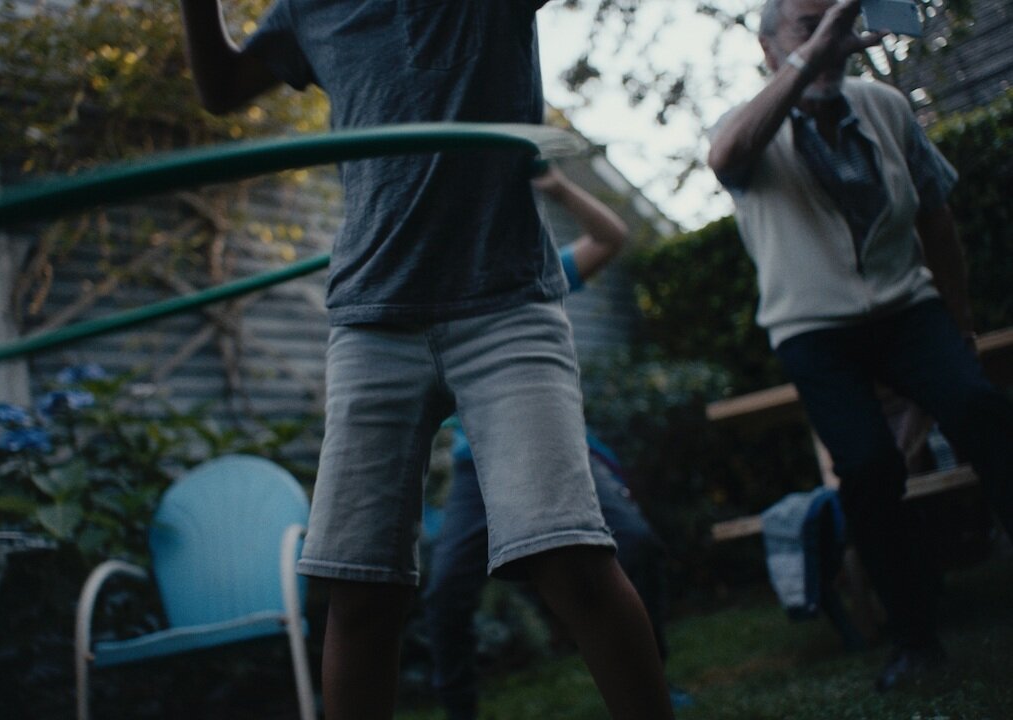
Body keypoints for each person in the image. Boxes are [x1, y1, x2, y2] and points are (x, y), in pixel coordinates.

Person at [178, 2, 675, 718]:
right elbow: (221, 90)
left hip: (502, 304)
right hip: (373, 318)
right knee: (358, 591)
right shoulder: (307, 10)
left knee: (571, 561)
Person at [707, 0, 1013, 692]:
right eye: (803, 23)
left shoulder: (882, 104)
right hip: (814, 332)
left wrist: (958, 319)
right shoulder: (747, 125)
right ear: (766, 49)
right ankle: (913, 638)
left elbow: (934, 213)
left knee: (980, 412)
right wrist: (810, 57)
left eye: (831, 21)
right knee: (868, 471)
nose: (822, 36)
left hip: (907, 308)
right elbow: (725, 159)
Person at [423, 167, 694, 720]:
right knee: (445, 591)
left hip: (557, 444)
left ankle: (653, 687)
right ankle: (460, 713)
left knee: (635, 544)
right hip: (476, 465)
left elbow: (612, 238)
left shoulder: (529, 278)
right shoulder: (427, 296)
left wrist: (555, 184)